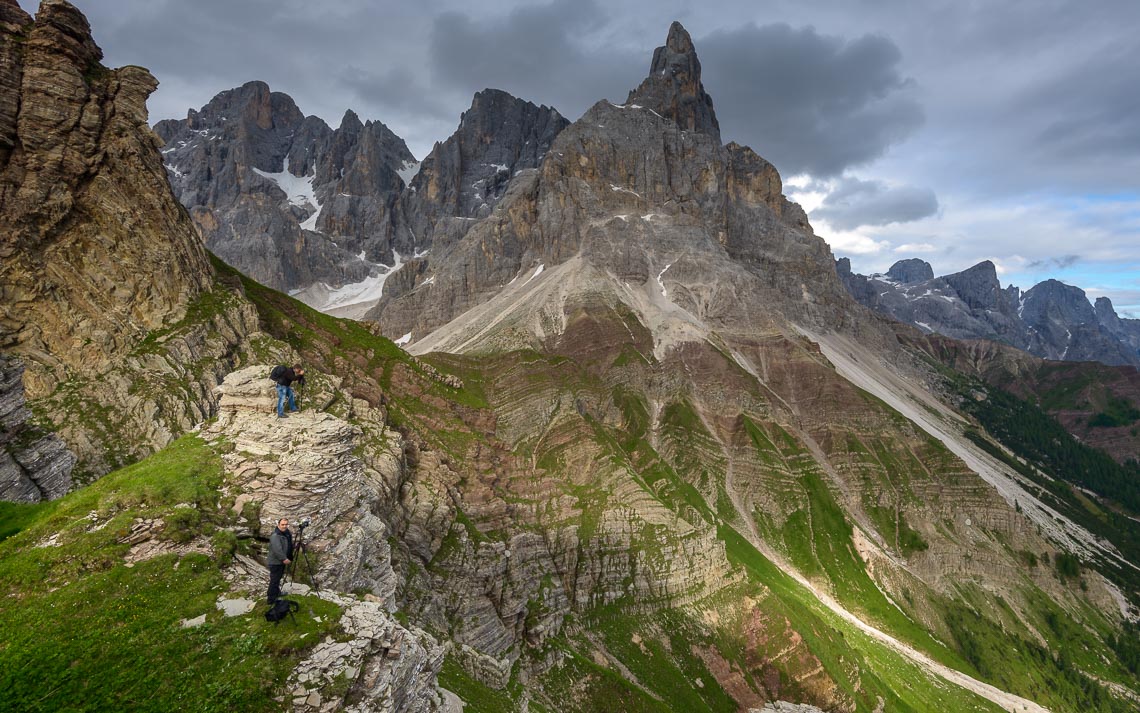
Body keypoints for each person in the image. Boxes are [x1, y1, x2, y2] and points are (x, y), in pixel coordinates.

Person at [267, 517, 293, 603]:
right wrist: (284, 559)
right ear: (278, 525)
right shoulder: (275, 536)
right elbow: (277, 549)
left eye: (286, 524)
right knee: (274, 580)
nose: (284, 526)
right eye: (282, 524)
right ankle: (271, 599)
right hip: (275, 562)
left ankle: (277, 593)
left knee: (277, 579)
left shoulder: (285, 533)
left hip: (280, 562)